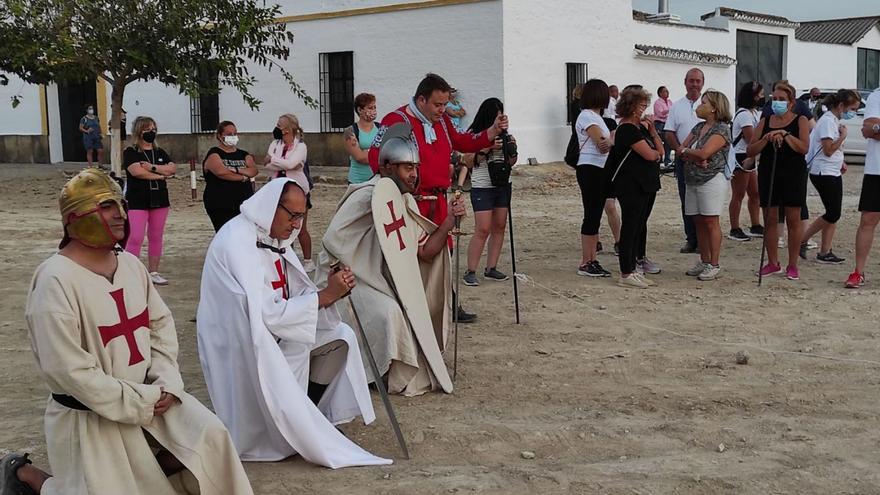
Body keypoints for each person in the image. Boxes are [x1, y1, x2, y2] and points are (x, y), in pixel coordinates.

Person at [4, 168, 254, 495]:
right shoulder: (55, 281)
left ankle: (149, 469)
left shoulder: (132, 266)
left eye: (120, 204)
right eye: (106, 207)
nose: (120, 214)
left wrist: (166, 381)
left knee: (211, 438)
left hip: (151, 397)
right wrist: (140, 401)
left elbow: (160, 327)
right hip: (92, 415)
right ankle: (24, 475)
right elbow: (68, 370)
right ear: (75, 218)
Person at [196, 177, 391, 467]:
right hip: (241, 344)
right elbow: (266, 314)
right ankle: (284, 429)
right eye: (294, 216)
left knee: (341, 335)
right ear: (272, 208)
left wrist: (332, 291)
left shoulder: (275, 239)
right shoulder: (238, 241)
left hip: (274, 330)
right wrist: (324, 296)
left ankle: (307, 413)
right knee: (299, 345)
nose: (298, 225)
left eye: (302, 216)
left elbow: (298, 293)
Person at [319, 122, 465, 395]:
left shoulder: (406, 202)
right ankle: (374, 374)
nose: (414, 175)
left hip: (385, 281)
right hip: (349, 280)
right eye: (407, 168)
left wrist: (448, 222)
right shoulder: (364, 197)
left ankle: (384, 369)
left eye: (415, 168)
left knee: (406, 312)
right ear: (387, 168)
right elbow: (333, 241)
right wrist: (345, 278)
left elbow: (424, 251)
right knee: (390, 314)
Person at [368, 73, 508, 320]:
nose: (443, 110)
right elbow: (377, 159)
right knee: (414, 255)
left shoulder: (441, 122)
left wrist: (492, 130)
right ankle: (412, 305)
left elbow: (464, 141)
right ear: (421, 100)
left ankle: (446, 304)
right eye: (437, 104)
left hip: (440, 200)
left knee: (445, 253)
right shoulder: (396, 121)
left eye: (445, 105)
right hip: (413, 203)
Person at [747, 80, 811, 281]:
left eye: (782, 99)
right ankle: (773, 262)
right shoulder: (764, 121)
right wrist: (766, 139)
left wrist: (785, 135)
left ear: (791, 102)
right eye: (775, 99)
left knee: (794, 219)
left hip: (793, 172)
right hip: (769, 171)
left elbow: (803, 148)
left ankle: (793, 264)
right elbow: (750, 149)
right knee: (770, 218)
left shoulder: (800, 120)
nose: (777, 102)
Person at [608, 87, 663, 288]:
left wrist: (654, 133)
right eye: (641, 105)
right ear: (632, 107)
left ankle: (633, 267)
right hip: (631, 184)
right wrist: (655, 153)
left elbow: (661, 151)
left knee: (639, 225)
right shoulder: (627, 129)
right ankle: (626, 271)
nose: (644, 109)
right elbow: (650, 155)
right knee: (630, 227)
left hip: (645, 183)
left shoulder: (639, 128)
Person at [462, 98, 518, 285]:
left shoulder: (506, 135)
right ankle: (470, 270)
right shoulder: (475, 134)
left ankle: (491, 267)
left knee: (500, 226)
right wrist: (487, 148)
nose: (499, 120)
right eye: (496, 116)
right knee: (483, 228)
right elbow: (468, 161)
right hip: (482, 185)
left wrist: (512, 149)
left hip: (502, 184)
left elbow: (511, 162)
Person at [802, 90, 861, 264]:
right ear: (841, 106)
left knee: (833, 212)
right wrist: (843, 137)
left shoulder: (833, 120)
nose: (853, 113)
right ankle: (802, 240)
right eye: (852, 109)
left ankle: (825, 251)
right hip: (823, 172)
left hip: (832, 171)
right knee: (833, 213)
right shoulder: (828, 121)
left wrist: (840, 161)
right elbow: (827, 150)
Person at [680, 90, 732, 281]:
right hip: (692, 178)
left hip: (711, 179)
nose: (699, 106)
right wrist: (692, 154)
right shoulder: (698, 127)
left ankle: (714, 263)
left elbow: (703, 153)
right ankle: (704, 259)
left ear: (714, 108)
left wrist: (691, 153)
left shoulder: (722, 129)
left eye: (703, 103)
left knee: (711, 221)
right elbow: (682, 149)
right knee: (698, 220)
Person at [123, 116, 175, 286]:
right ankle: (129, 272)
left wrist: (153, 168)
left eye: (153, 128)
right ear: (139, 131)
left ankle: (153, 271)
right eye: (147, 129)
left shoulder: (159, 152)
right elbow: (136, 171)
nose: (151, 132)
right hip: (138, 199)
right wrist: (160, 176)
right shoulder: (131, 152)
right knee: (135, 236)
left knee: (156, 236)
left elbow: (172, 168)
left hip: (159, 199)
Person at [572, 79, 614, 278]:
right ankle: (586, 261)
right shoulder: (587, 116)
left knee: (596, 213)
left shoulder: (597, 117)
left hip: (599, 167)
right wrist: (616, 137)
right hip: (590, 167)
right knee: (591, 213)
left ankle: (592, 258)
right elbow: (602, 143)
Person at [264, 113, 315, 272]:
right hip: (277, 189)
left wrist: (275, 161)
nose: (277, 127)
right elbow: (267, 165)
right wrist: (286, 165)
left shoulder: (300, 146)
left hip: (298, 190)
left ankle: (308, 260)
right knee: (281, 225)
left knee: (300, 227)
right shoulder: (275, 144)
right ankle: (284, 255)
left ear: (287, 129)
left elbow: (293, 163)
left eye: (280, 125)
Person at [665, 68, 705, 253]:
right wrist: (680, 152)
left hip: (705, 160)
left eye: (698, 81)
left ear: (702, 83)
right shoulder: (676, 106)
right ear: (685, 82)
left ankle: (704, 240)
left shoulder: (708, 105)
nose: (694, 84)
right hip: (684, 160)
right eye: (691, 81)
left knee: (704, 200)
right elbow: (669, 132)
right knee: (686, 199)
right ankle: (692, 239)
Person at [845, 88, 880, 288]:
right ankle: (858, 272)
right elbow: (867, 129)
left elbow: (872, 128)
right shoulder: (877, 95)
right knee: (868, 220)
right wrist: (873, 128)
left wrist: (876, 127)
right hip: (877, 169)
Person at [202, 120, 258, 232]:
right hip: (220, 204)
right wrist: (242, 176)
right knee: (226, 233)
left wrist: (236, 169)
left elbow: (253, 170)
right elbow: (221, 172)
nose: (233, 136)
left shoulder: (243, 154)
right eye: (228, 134)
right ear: (220, 136)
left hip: (243, 202)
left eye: (235, 134)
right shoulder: (214, 153)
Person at [728, 81, 765, 241]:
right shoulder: (744, 115)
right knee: (738, 194)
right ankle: (734, 228)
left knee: (755, 193)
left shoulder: (754, 113)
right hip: (741, 156)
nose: (762, 97)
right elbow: (751, 139)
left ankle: (755, 224)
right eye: (760, 94)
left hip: (750, 155)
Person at [344, 93, 380, 184]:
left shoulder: (381, 128)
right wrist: (378, 152)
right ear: (360, 110)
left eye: (374, 107)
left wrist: (367, 152)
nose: (373, 110)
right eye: (370, 108)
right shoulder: (350, 131)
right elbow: (360, 157)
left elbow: (388, 154)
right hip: (357, 181)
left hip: (378, 180)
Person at [653, 86, 673, 167]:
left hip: (667, 123)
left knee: (668, 141)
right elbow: (660, 114)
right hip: (659, 124)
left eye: (667, 91)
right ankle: (660, 159)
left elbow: (673, 112)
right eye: (665, 91)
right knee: (659, 141)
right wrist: (668, 111)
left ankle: (667, 160)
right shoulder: (657, 102)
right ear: (660, 93)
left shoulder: (670, 101)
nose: (667, 93)